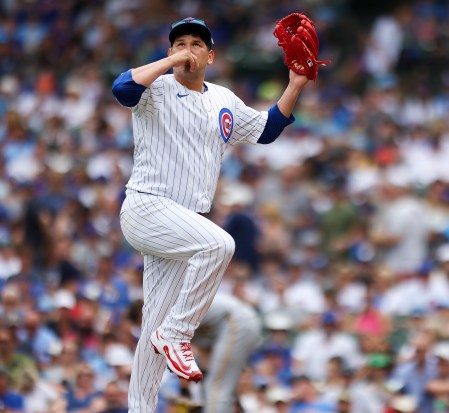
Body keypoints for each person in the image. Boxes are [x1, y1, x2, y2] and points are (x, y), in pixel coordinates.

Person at [111, 16, 310, 412]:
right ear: (169, 51)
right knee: (220, 244)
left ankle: (140, 406)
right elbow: (122, 88)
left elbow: (267, 129)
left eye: (197, 44)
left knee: (153, 323)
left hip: (180, 227)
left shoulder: (223, 99)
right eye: (180, 43)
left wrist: (295, 84)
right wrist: (171, 63)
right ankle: (177, 333)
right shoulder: (157, 87)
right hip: (148, 206)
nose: (188, 48)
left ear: (211, 55)